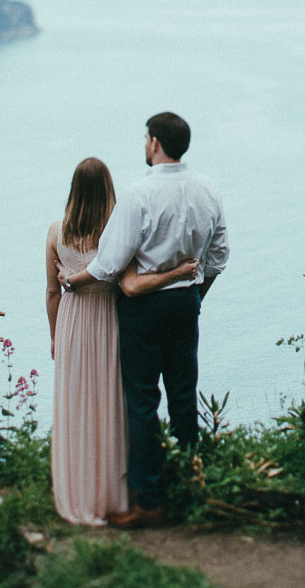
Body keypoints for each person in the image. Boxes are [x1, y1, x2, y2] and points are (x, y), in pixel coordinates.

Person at [59, 112, 229, 529]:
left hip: (144, 309)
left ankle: (150, 500)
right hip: (185, 302)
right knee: (184, 395)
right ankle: (194, 485)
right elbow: (219, 255)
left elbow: (110, 262)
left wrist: (73, 281)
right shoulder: (209, 189)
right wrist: (196, 294)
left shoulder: (138, 194)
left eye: (146, 139)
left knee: (142, 401)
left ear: (154, 143)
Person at [45, 156, 197, 526]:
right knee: (112, 407)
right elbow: (128, 282)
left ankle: (78, 493)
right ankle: (117, 493)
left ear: (73, 190)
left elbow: (52, 292)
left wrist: (54, 339)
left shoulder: (55, 233)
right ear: (109, 189)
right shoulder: (117, 231)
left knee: (77, 407)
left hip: (72, 323)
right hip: (111, 320)